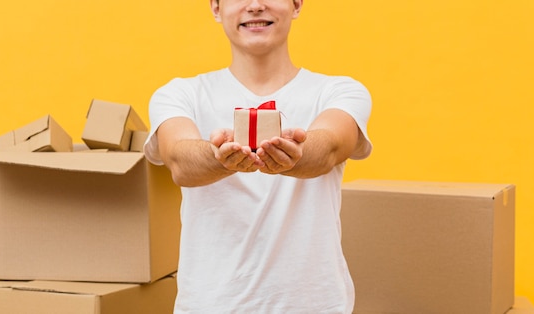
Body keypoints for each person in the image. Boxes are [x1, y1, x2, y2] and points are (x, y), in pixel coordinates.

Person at [144, 0, 372, 312]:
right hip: (211, 305)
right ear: (215, 8)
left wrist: (295, 152)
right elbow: (180, 161)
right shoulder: (180, 94)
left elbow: (329, 148)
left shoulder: (339, 91)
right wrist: (219, 156)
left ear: (296, 4)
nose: (255, 6)